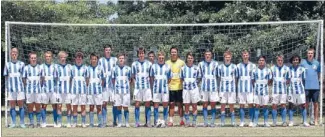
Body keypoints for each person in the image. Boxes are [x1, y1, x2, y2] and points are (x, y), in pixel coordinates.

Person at [3, 47, 26, 128]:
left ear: (18, 54)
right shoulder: (7, 64)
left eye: (15, 52)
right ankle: (13, 123)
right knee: (12, 105)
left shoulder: (22, 64)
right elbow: (5, 76)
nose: (14, 54)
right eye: (13, 52)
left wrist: (24, 87)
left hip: (20, 88)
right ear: (10, 54)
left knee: (21, 105)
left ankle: (22, 123)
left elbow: (23, 77)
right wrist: (6, 88)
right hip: (11, 88)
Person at [132, 47, 153, 127]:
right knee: (137, 104)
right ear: (138, 54)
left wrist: (151, 87)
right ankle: (137, 122)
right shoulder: (134, 64)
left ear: (144, 54)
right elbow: (133, 76)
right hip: (138, 87)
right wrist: (135, 85)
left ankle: (148, 122)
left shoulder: (149, 64)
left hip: (147, 87)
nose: (141, 55)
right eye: (140, 53)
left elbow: (151, 77)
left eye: (142, 53)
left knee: (147, 103)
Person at [287, 55, 310, 127]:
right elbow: (288, 80)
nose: (295, 61)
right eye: (294, 60)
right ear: (292, 61)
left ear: (299, 60)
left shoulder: (302, 69)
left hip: (300, 90)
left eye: (297, 60)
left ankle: (305, 121)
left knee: (303, 105)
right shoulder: (289, 69)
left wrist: (305, 90)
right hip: (291, 90)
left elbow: (304, 80)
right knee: (291, 105)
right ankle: (291, 121)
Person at [198, 49, 219, 127]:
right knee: (204, 104)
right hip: (204, 87)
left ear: (211, 55)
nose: (207, 55)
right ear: (204, 55)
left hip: (213, 87)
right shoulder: (200, 64)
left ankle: (212, 122)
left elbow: (218, 76)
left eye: (209, 54)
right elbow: (199, 76)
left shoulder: (216, 64)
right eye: (206, 54)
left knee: (213, 104)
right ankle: (205, 122)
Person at [150, 51, 171, 127]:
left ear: (164, 58)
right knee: (156, 104)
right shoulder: (153, 66)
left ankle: (164, 121)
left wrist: (165, 84)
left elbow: (169, 78)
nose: (161, 59)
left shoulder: (168, 66)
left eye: (162, 58)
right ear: (157, 58)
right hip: (156, 89)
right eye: (160, 58)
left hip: (165, 89)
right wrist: (155, 84)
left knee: (165, 104)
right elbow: (151, 77)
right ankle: (156, 121)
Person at [98, 45, 118, 127]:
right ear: (104, 51)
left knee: (115, 103)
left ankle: (114, 121)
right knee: (104, 103)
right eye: (106, 50)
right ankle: (104, 121)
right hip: (104, 85)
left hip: (113, 86)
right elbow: (99, 72)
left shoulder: (115, 59)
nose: (108, 51)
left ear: (111, 51)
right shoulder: (100, 60)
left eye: (109, 50)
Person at [300, 48, 321, 126]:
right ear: (307, 54)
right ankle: (305, 120)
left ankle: (315, 120)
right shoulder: (303, 63)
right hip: (306, 87)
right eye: (309, 53)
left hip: (315, 87)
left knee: (316, 104)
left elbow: (319, 74)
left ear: (313, 54)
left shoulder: (317, 63)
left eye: (311, 53)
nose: (310, 54)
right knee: (305, 104)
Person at [236, 50, 256, 127]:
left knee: (251, 104)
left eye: (246, 55)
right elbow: (237, 78)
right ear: (242, 56)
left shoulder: (253, 66)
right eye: (244, 55)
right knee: (241, 105)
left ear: (249, 56)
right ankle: (242, 121)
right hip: (241, 88)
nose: (245, 56)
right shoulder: (238, 66)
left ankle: (251, 121)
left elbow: (254, 78)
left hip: (250, 88)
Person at [166, 47, 185, 126]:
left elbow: (184, 75)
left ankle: (181, 120)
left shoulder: (182, 63)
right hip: (170, 87)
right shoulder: (167, 63)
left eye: (175, 52)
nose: (173, 53)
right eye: (172, 52)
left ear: (177, 53)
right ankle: (171, 121)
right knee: (171, 104)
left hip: (179, 87)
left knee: (180, 104)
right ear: (170, 53)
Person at [180, 52, 200, 127]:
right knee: (187, 105)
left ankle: (194, 122)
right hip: (186, 89)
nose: (190, 59)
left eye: (191, 58)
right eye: (188, 58)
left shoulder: (196, 68)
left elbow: (199, 78)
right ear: (186, 59)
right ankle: (187, 122)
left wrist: (194, 84)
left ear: (193, 59)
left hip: (194, 89)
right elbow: (181, 78)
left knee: (194, 105)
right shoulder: (183, 68)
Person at [23, 52, 43, 128]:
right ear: (29, 59)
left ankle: (38, 123)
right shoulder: (26, 68)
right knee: (30, 107)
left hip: (38, 90)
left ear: (36, 59)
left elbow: (42, 79)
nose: (33, 59)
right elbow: (24, 79)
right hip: (29, 90)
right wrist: (27, 86)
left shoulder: (40, 67)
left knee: (38, 106)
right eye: (32, 58)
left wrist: (39, 86)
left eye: (34, 58)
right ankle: (31, 123)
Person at [218, 51, 237, 127]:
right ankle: (222, 122)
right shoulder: (220, 67)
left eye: (229, 57)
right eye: (226, 57)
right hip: (222, 89)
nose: (227, 58)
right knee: (222, 105)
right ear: (224, 58)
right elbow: (219, 78)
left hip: (231, 89)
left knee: (231, 105)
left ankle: (233, 121)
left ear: (231, 58)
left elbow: (236, 78)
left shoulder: (234, 67)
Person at [112, 53, 132, 128]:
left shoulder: (128, 69)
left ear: (125, 59)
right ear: (118, 59)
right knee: (119, 106)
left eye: (122, 58)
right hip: (117, 91)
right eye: (120, 58)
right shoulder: (114, 69)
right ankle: (120, 122)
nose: (121, 59)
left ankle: (126, 122)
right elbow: (113, 80)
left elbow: (130, 79)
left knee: (125, 106)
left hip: (126, 91)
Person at [270, 55, 290, 127]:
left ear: (283, 60)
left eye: (281, 60)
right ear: (276, 61)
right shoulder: (272, 68)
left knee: (283, 105)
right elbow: (270, 79)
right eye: (278, 60)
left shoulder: (287, 69)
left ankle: (284, 121)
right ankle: (274, 122)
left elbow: (288, 80)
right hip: (275, 90)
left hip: (283, 90)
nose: (280, 61)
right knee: (274, 105)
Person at [252, 55, 272, 127]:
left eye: (262, 60)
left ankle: (266, 122)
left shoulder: (268, 70)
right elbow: (252, 80)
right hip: (257, 91)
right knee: (256, 106)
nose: (261, 61)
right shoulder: (254, 70)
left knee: (265, 106)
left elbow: (270, 80)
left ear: (265, 61)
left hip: (265, 91)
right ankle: (255, 122)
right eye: (260, 60)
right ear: (258, 61)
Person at [40, 51, 57, 128]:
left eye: (49, 56)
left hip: (53, 90)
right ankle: (43, 122)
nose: (48, 58)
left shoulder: (55, 66)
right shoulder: (41, 67)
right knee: (43, 106)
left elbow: (56, 78)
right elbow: (40, 79)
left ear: (51, 57)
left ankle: (55, 122)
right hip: (44, 90)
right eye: (47, 56)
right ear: (45, 57)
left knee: (55, 106)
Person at [86, 53, 104, 128]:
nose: (94, 60)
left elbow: (103, 80)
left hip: (98, 91)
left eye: (95, 59)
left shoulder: (100, 68)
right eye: (92, 59)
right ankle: (91, 123)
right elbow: (87, 79)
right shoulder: (88, 68)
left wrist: (100, 87)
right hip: (90, 91)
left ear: (97, 60)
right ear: (90, 60)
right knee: (91, 107)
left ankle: (100, 123)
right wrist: (88, 86)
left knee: (99, 107)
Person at [70, 52, 88, 128]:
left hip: (83, 91)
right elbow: (70, 79)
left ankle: (83, 122)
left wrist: (85, 87)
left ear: (82, 59)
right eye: (77, 57)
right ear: (75, 59)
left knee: (83, 106)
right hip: (74, 91)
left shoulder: (85, 68)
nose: (79, 59)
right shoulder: (72, 68)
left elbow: (87, 79)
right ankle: (75, 122)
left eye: (80, 57)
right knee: (74, 106)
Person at [55, 51, 72, 128]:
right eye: (61, 57)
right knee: (59, 106)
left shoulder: (69, 67)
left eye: (64, 57)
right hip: (59, 90)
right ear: (59, 58)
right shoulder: (56, 67)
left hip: (68, 90)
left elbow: (71, 79)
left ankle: (69, 122)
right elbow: (55, 79)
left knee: (68, 106)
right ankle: (59, 122)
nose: (63, 59)